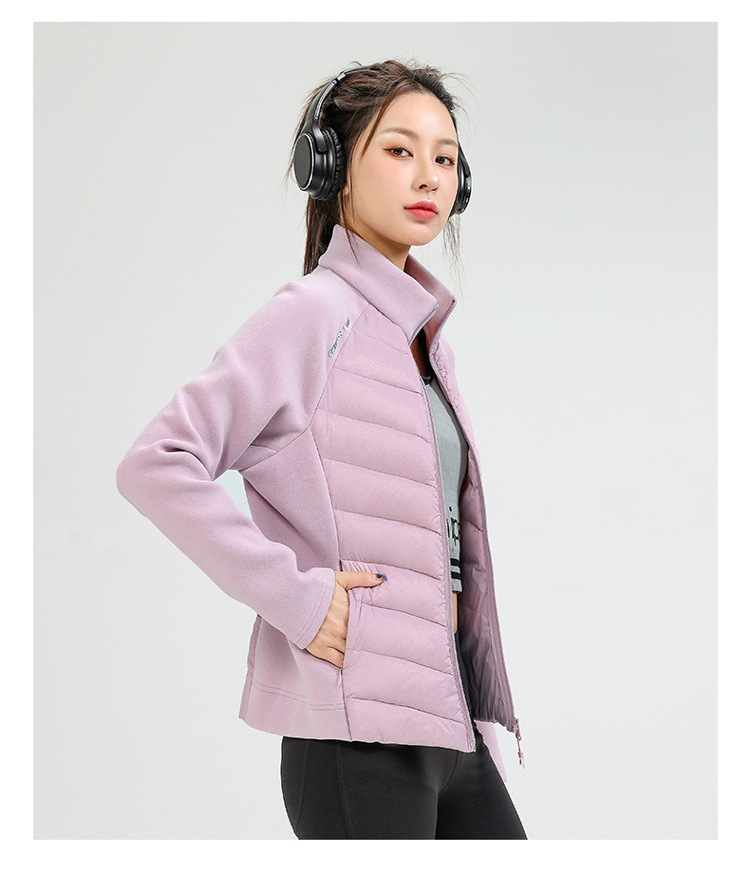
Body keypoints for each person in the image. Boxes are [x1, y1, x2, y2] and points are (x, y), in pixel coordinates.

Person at [116, 59, 527, 840]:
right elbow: (157, 462)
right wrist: (297, 599)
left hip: (447, 721)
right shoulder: (314, 314)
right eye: (399, 150)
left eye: (445, 158)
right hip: (354, 739)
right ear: (333, 167)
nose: (429, 176)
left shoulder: (422, 338)